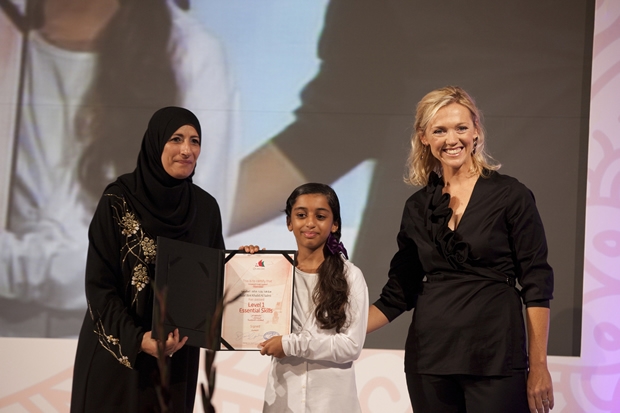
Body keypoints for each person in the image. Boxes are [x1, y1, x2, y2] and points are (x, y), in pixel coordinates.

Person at [0, 0, 235, 338]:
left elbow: (178, 249)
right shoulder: (13, 28)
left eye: (191, 142)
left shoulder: (190, 51)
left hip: (127, 324)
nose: (185, 150)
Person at [367, 86, 555, 413]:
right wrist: (335, 329)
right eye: (440, 130)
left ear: (476, 131)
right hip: (430, 360)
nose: (452, 139)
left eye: (461, 128)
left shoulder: (511, 195)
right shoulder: (417, 206)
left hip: (496, 356)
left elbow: (537, 284)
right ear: (424, 137)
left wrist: (538, 366)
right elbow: (399, 292)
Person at [70, 106, 224, 412]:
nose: (186, 150)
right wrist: (138, 339)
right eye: (176, 139)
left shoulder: (205, 209)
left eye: (195, 141)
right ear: (155, 143)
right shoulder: (118, 199)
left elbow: (214, 285)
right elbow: (99, 287)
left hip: (175, 362)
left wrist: (245, 263)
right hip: (118, 357)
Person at [243, 183, 368, 412]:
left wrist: (291, 344)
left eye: (320, 216)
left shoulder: (350, 276)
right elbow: (243, 321)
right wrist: (243, 267)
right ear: (290, 223)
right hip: (282, 402)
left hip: (332, 404)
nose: (310, 223)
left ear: (335, 224)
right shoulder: (273, 272)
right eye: (301, 215)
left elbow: (351, 346)